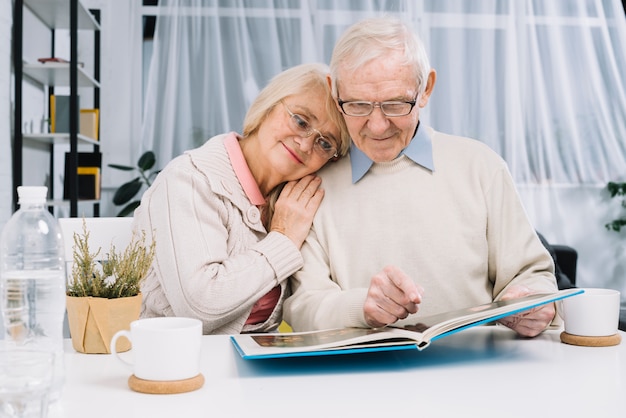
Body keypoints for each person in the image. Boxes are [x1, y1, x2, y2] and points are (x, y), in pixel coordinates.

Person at [283, 17, 558, 338]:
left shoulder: (481, 166)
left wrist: (532, 302)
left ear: (425, 88)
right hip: (358, 380)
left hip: (477, 375)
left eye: (395, 104)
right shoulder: (312, 187)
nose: (377, 126)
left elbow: (533, 275)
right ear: (334, 90)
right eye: (357, 105)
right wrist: (361, 307)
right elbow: (302, 307)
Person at [133, 63, 350, 334]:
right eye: (301, 121)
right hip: (173, 364)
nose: (306, 144)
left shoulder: (295, 202)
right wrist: (283, 240)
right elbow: (201, 305)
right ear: (269, 105)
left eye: (325, 143)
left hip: (254, 365)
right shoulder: (189, 180)